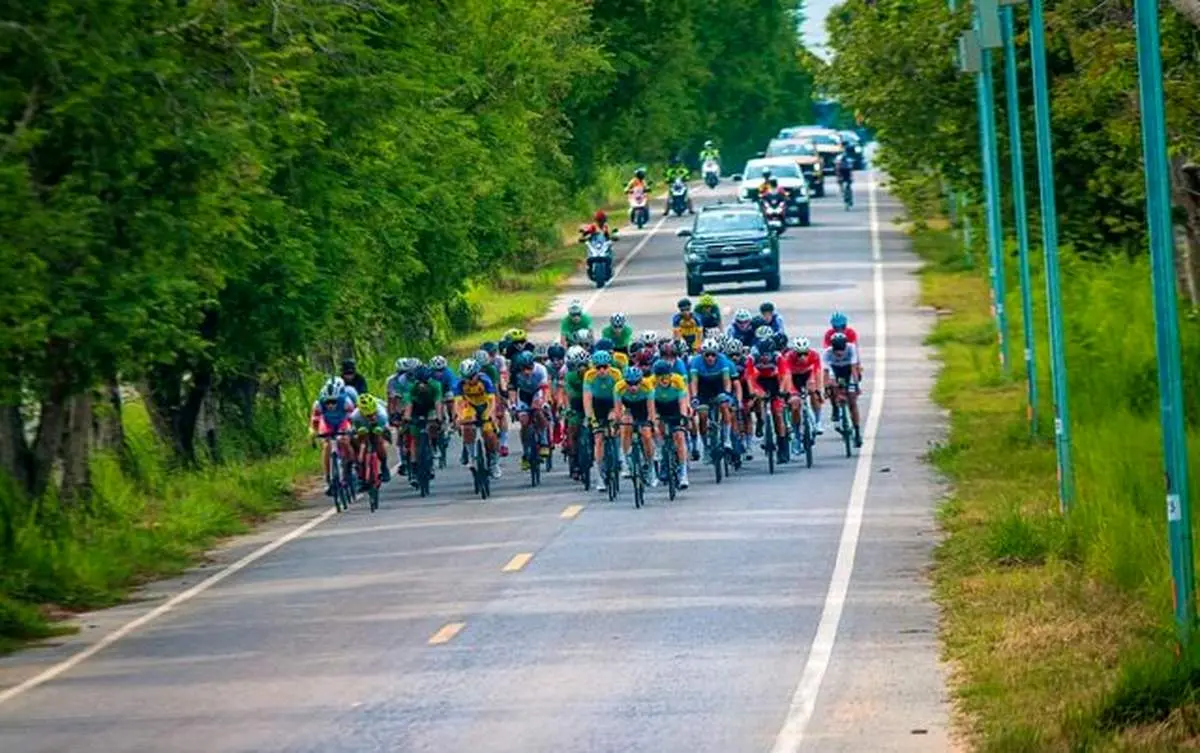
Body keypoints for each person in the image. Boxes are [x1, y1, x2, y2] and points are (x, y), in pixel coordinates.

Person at [688, 338, 736, 459]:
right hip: (703, 389)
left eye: (713, 355)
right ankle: (706, 446)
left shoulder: (723, 360)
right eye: (707, 355)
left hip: (718, 386)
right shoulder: (696, 362)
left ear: (717, 354)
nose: (710, 358)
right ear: (702, 354)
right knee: (703, 416)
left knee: (725, 407)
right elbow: (693, 382)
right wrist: (694, 397)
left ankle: (727, 439)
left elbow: (726, 380)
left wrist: (727, 393)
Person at [309, 377, 358, 495]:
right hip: (327, 423)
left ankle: (351, 464)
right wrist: (313, 433)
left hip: (342, 422)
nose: (330, 405)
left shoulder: (346, 401)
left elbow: (352, 418)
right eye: (328, 402)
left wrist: (352, 430)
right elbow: (315, 421)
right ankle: (328, 478)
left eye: (333, 402)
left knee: (344, 441)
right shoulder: (318, 404)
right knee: (327, 445)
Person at [455, 358, 501, 478]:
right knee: (467, 427)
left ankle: (494, 462)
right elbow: (458, 404)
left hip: (485, 406)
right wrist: (459, 418)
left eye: (472, 377)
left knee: (489, 434)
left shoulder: (485, 380)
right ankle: (472, 456)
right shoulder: (459, 384)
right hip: (470, 406)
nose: (469, 380)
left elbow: (492, 401)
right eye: (466, 377)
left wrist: (491, 415)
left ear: (477, 374)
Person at [582, 350, 620, 492]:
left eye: (605, 367)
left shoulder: (616, 374)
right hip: (597, 404)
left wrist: (617, 414)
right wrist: (591, 418)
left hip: (611, 402)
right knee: (598, 438)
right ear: (594, 367)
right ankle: (599, 475)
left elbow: (619, 396)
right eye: (598, 367)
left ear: (609, 366)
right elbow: (587, 398)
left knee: (614, 428)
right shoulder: (589, 375)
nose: (602, 370)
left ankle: (619, 457)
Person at [508, 351, 552, 471]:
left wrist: (544, 402)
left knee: (537, 410)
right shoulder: (515, 373)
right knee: (524, 421)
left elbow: (545, 389)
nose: (527, 372)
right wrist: (512, 405)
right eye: (525, 369)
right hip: (523, 395)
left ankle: (543, 441)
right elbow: (512, 390)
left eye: (530, 368)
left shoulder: (540, 370)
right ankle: (526, 451)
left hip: (538, 392)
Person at [651, 358, 691, 489]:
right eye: (660, 377)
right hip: (659, 407)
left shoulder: (677, 380)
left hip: (674, 406)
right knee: (658, 429)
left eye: (666, 376)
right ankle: (662, 457)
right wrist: (654, 421)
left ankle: (683, 473)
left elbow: (682, 401)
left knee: (679, 436)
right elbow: (650, 406)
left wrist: (683, 417)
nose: (663, 380)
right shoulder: (650, 383)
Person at [614, 365, 657, 484]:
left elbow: (651, 409)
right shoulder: (619, 387)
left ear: (641, 381)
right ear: (625, 381)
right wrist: (617, 423)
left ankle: (650, 465)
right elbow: (618, 409)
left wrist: (651, 423)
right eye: (629, 383)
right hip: (629, 408)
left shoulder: (647, 386)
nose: (633, 387)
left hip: (643, 408)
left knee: (646, 435)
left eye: (636, 383)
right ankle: (627, 460)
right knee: (625, 427)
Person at [402, 367, 445, 484]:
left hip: (430, 408)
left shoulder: (436, 385)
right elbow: (408, 404)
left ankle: (434, 447)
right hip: (416, 409)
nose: (422, 385)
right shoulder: (411, 387)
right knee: (415, 439)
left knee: (433, 426)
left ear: (429, 380)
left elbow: (438, 403)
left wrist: (439, 418)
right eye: (419, 382)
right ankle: (415, 469)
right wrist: (407, 418)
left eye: (425, 382)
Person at [823, 332, 863, 447]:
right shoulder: (827, 353)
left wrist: (856, 385)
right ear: (832, 348)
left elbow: (854, 368)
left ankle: (857, 432)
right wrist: (826, 388)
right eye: (836, 349)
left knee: (852, 402)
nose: (839, 352)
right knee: (832, 386)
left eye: (841, 349)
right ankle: (835, 407)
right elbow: (826, 373)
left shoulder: (851, 348)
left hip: (848, 371)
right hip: (835, 371)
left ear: (846, 346)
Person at [783, 336, 825, 440]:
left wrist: (818, 390)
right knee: (795, 404)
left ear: (808, 351)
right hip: (793, 378)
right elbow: (786, 376)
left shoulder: (814, 355)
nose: (802, 357)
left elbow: (818, 373)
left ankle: (818, 421)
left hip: (807, 375)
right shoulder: (788, 357)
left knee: (814, 394)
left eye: (805, 353)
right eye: (799, 354)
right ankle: (796, 431)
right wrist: (790, 392)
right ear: (794, 352)